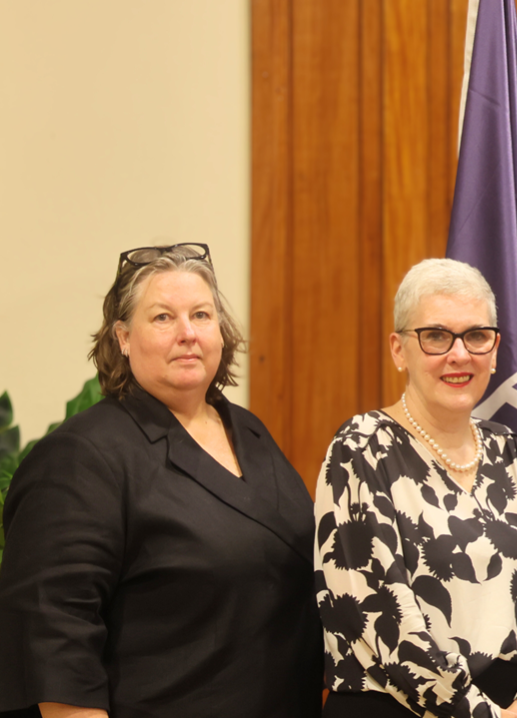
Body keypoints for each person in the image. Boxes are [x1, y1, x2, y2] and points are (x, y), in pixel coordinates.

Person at [0, 243, 321, 717]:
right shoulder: (81, 456)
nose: (188, 333)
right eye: (163, 318)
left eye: (202, 315)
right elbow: (53, 634)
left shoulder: (251, 432)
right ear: (123, 337)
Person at [315, 259, 517, 718]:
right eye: (436, 336)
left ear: (496, 350)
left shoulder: (509, 451)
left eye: (477, 335)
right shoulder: (361, 448)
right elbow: (383, 619)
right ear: (399, 350)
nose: (459, 354)